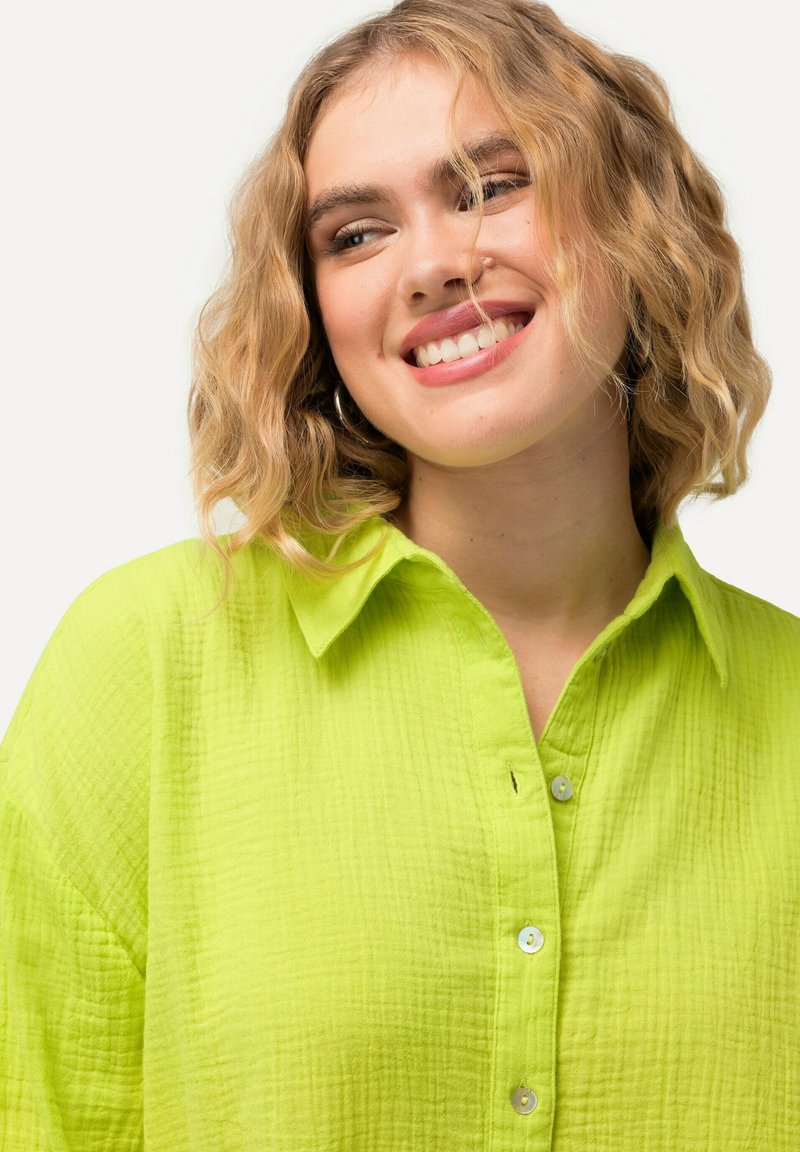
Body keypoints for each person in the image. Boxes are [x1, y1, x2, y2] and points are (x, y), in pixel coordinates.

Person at [1, 0, 797, 1148]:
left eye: (488, 187)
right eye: (355, 235)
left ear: (636, 222)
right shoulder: (144, 665)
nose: (428, 264)